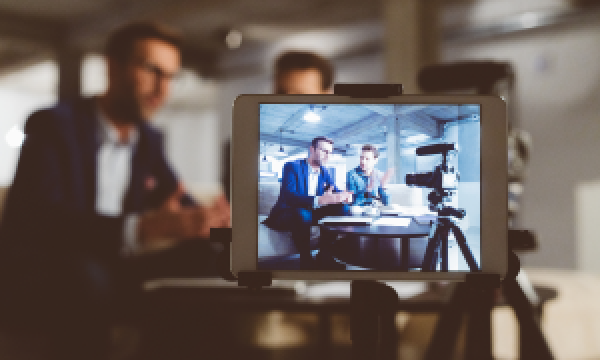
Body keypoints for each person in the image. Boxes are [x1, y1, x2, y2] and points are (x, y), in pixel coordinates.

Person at [0, 21, 229, 360]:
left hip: (114, 273)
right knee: (84, 274)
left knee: (205, 259)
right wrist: (143, 227)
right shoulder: (53, 125)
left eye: (170, 76)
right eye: (152, 71)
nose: (162, 89)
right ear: (113, 66)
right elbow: (41, 220)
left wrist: (208, 220)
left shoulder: (147, 140)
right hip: (51, 274)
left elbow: (178, 201)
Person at [221, 50, 334, 202]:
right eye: (281, 92)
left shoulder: (324, 171)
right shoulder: (239, 145)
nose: (286, 100)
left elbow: (332, 188)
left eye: (301, 94)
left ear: (327, 95)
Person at [262, 136, 352, 269]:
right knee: (303, 213)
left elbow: (335, 191)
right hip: (287, 213)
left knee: (343, 209)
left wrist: (345, 197)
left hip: (310, 213)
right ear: (312, 149)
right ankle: (306, 258)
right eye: (324, 151)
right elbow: (289, 196)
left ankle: (324, 255)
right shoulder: (292, 166)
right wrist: (320, 199)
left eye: (330, 152)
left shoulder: (324, 172)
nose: (328, 155)